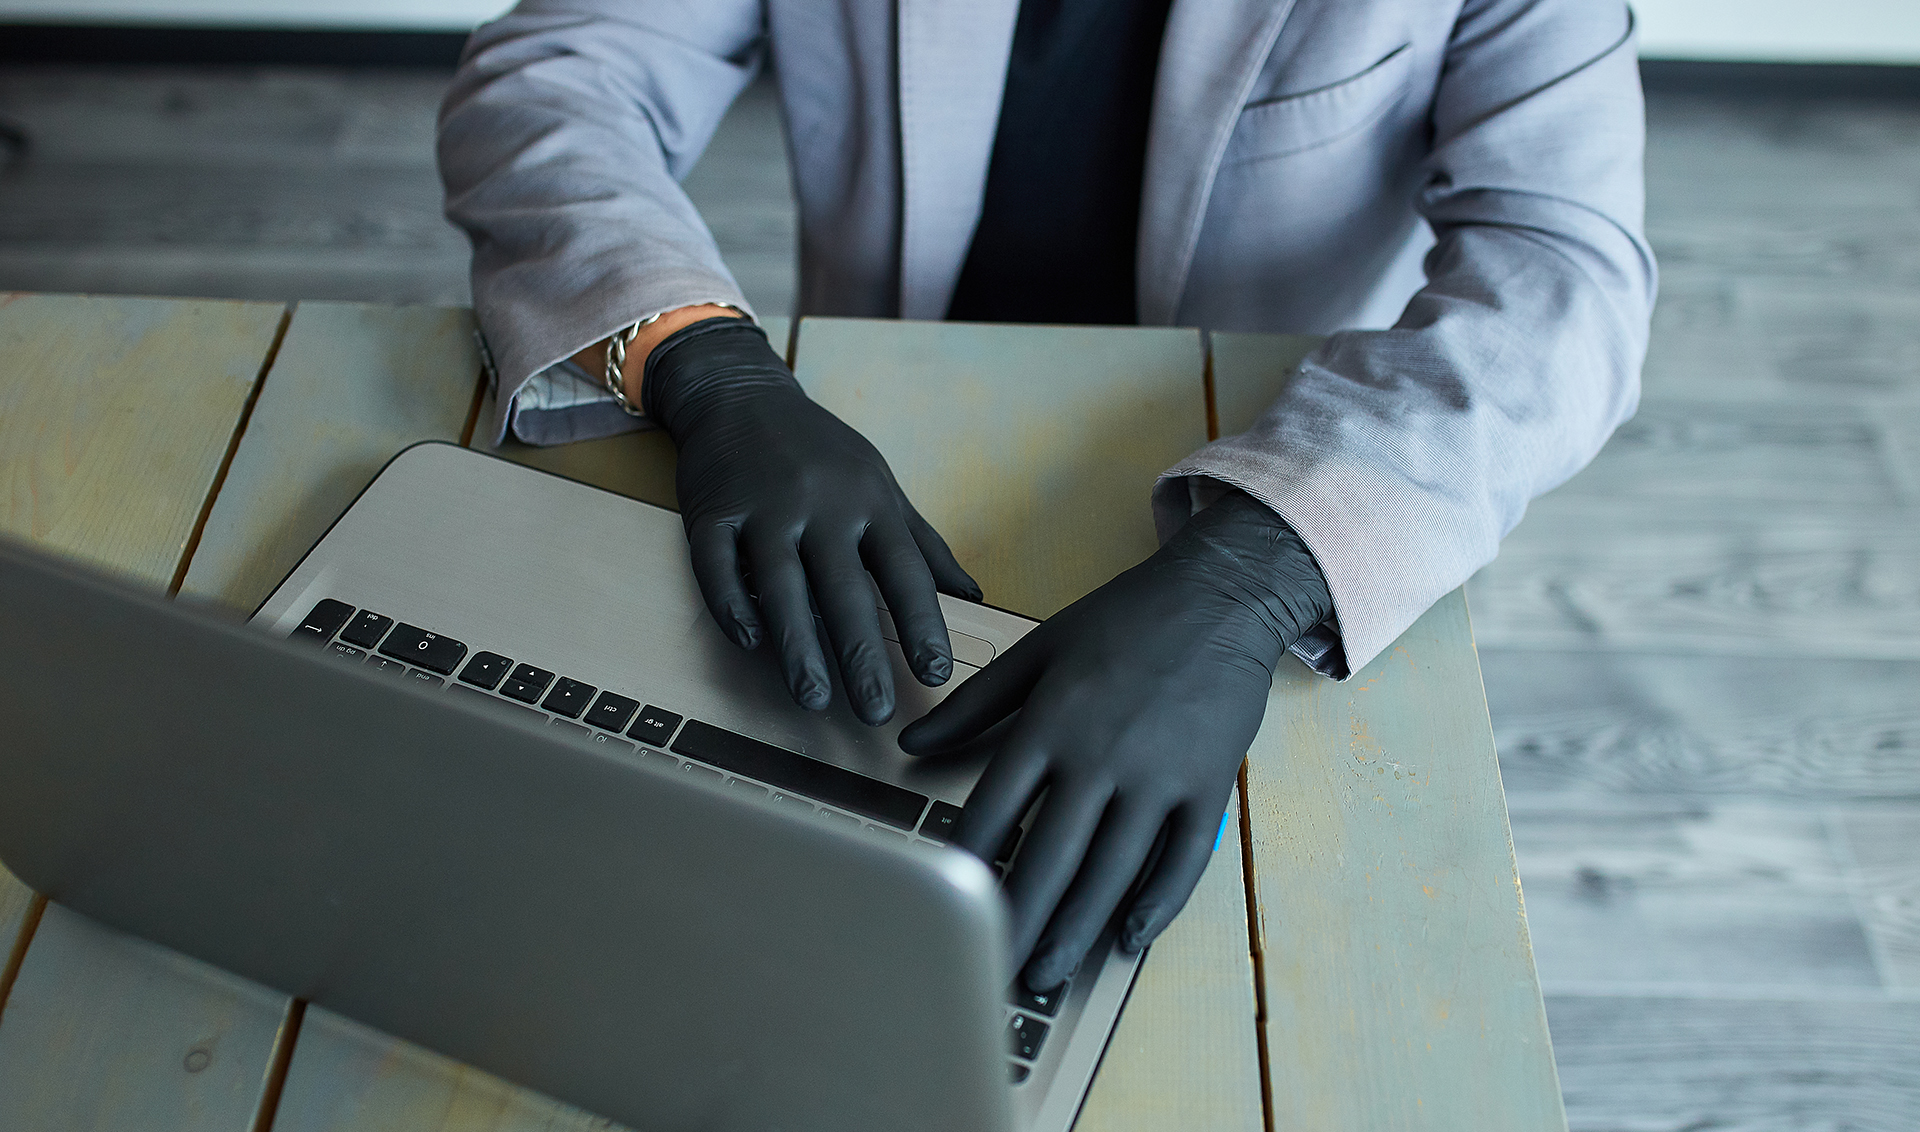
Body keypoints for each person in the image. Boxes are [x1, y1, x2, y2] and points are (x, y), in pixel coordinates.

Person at [437, 0, 1654, 994]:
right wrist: (710, 364)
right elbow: (557, 72)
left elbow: (1565, 272)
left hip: (1289, 476)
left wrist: (1259, 570)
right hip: (875, 433)